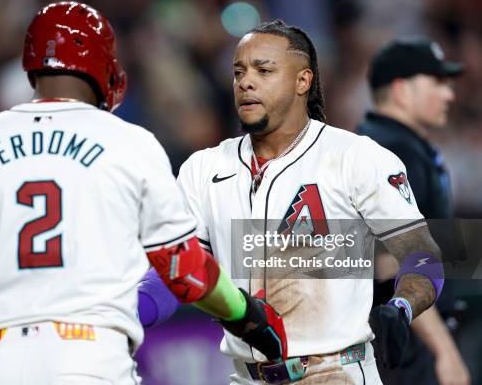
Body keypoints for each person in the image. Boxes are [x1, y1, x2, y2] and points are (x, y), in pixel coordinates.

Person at [0, 2, 287, 385]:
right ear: (105, 69)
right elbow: (183, 269)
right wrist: (244, 314)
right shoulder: (130, 142)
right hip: (93, 360)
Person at [138, 19, 445, 384]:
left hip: (336, 372)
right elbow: (175, 271)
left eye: (263, 70)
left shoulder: (355, 157)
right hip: (245, 377)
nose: (245, 82)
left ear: (303, 81)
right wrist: (129, 311)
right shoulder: (202, 168)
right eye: (238, 72)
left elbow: (423, 254)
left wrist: (402, 307)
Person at [357, 37, 470, 385]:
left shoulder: (395, 143)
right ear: (402, 90)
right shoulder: (390, 151)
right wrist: (444, 350)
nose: (449, 94)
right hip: (403, 346)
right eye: (437, 82)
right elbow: (393, 262)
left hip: (405, 339)